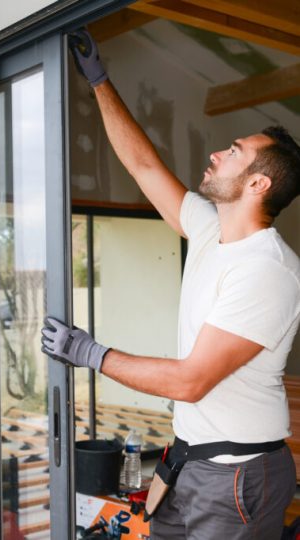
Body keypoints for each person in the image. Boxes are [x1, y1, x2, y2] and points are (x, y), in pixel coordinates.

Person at [41, 29, 300, 539]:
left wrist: (91, 354)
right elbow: (142, 165)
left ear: (258, 184)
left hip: (236, 479)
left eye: (234, 151)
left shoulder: (266, 269)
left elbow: (190, 380)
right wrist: (99, 80)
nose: (217, 154)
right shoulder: (210, 229)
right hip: (186, 462)